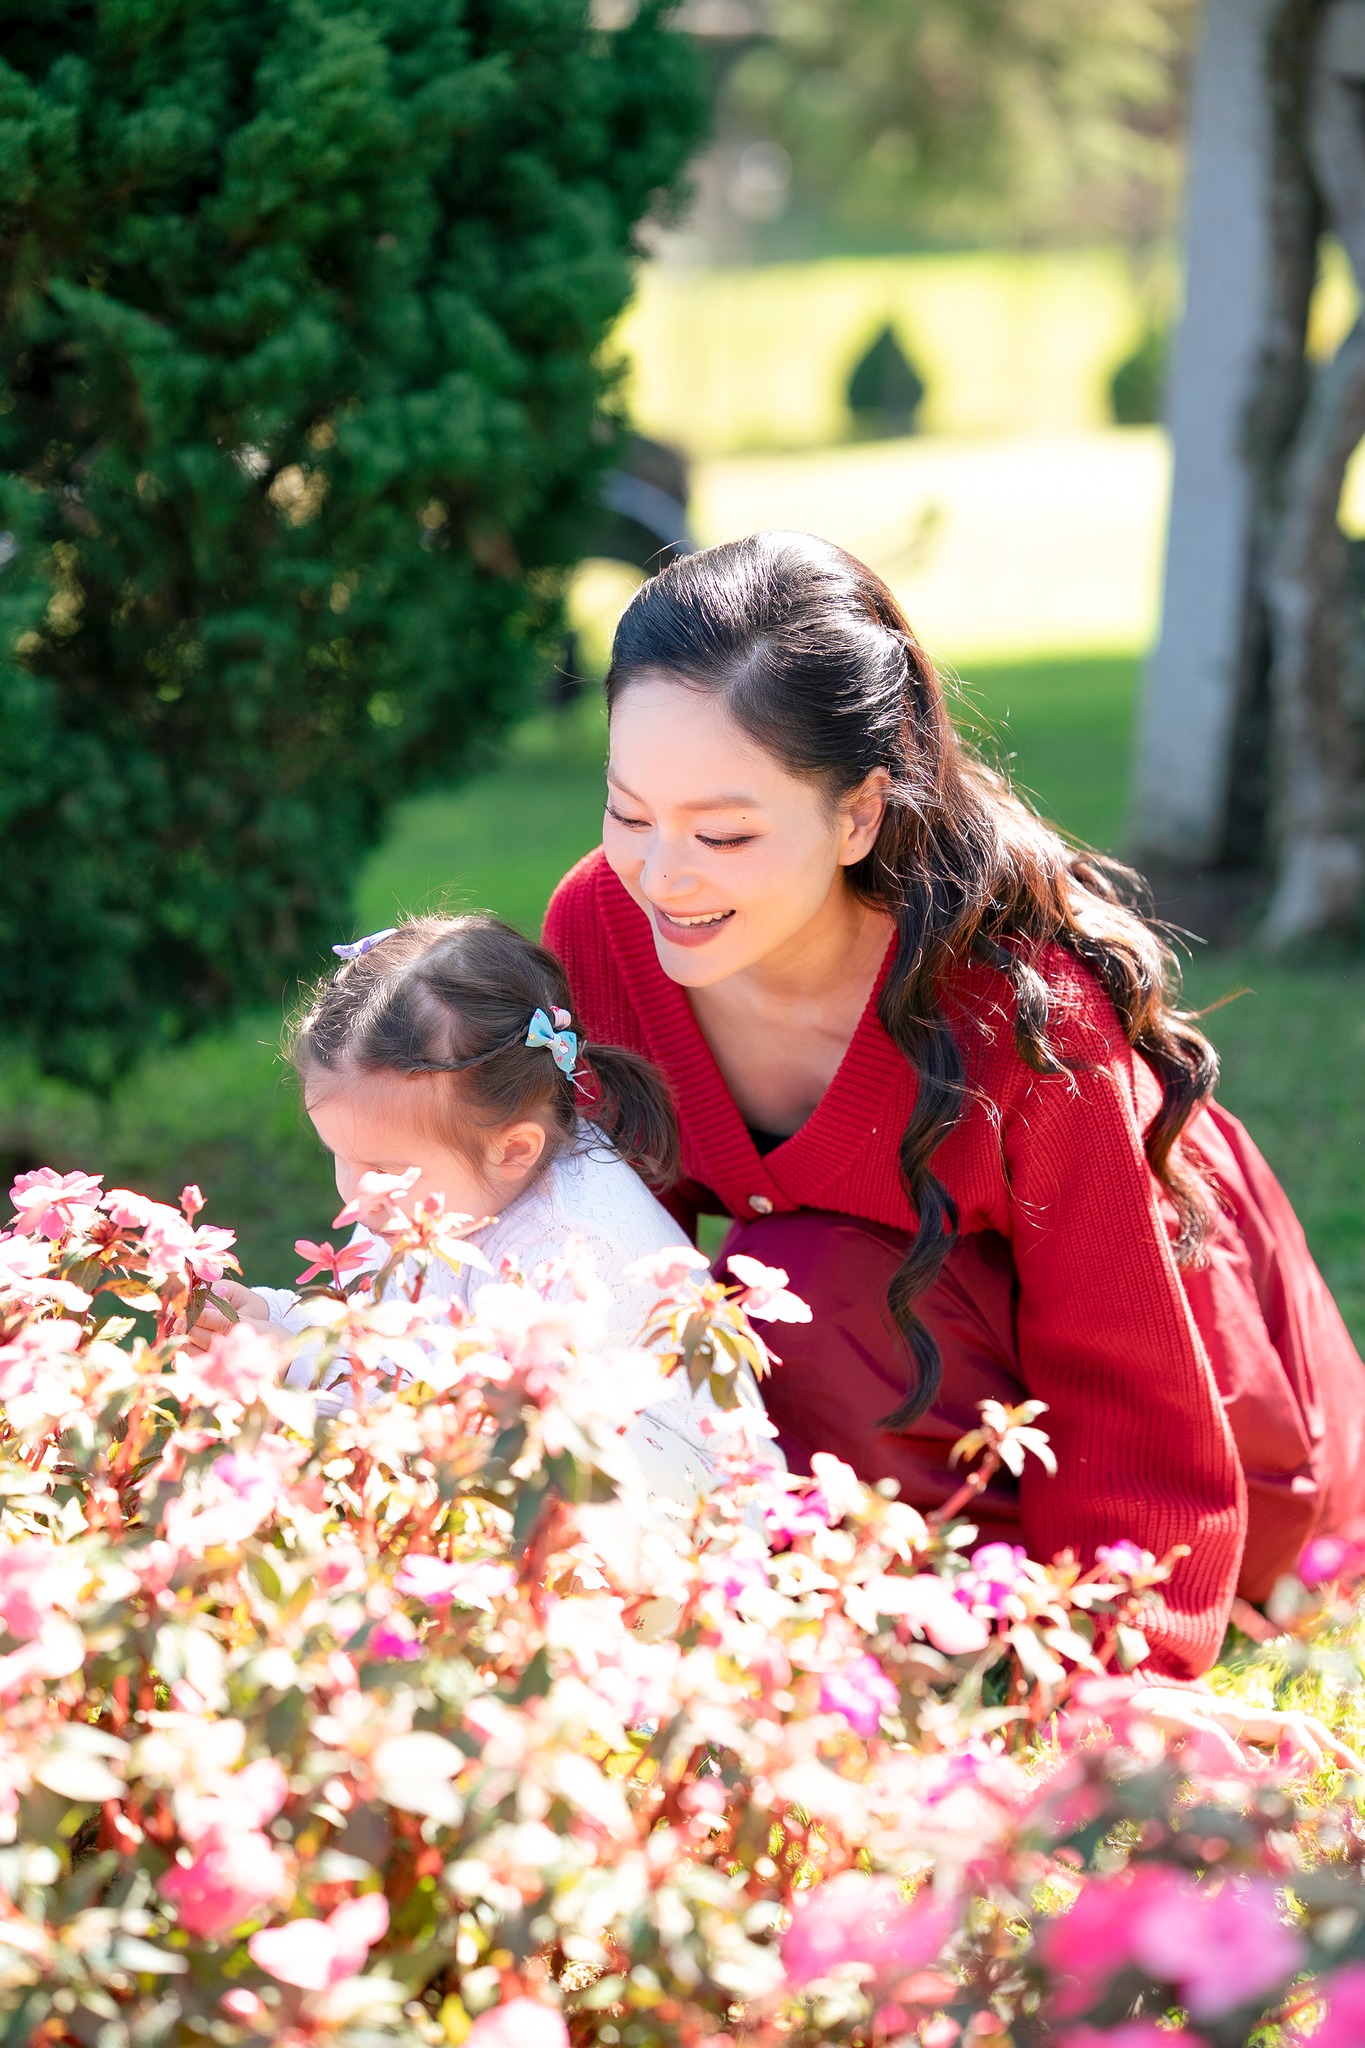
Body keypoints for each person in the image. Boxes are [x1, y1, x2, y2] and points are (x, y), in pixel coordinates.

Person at [543, 529, 1365, 1687]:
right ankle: (916, 1598)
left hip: (1213, 1398)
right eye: (629, 810)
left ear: (859, 815)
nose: (661, 871)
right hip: (925, 1361)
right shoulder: (602, 925)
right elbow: (617, 1252)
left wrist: (1116, 1669)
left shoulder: (1024, 1021)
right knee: (781, 1278)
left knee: (802, 1280)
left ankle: (977, 1618)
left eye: (723, 831)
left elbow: (1126, 1370)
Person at [190, 914, 780, 1502]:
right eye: (337, 1156)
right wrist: (281, 1327)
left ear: (513, 1150)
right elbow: (384, 1335)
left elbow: (469, 1437)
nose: (355, 1191)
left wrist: (293, 1375)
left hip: (673, 1507)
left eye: (382, 1170)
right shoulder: (428, 1198)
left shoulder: (567, 1248)